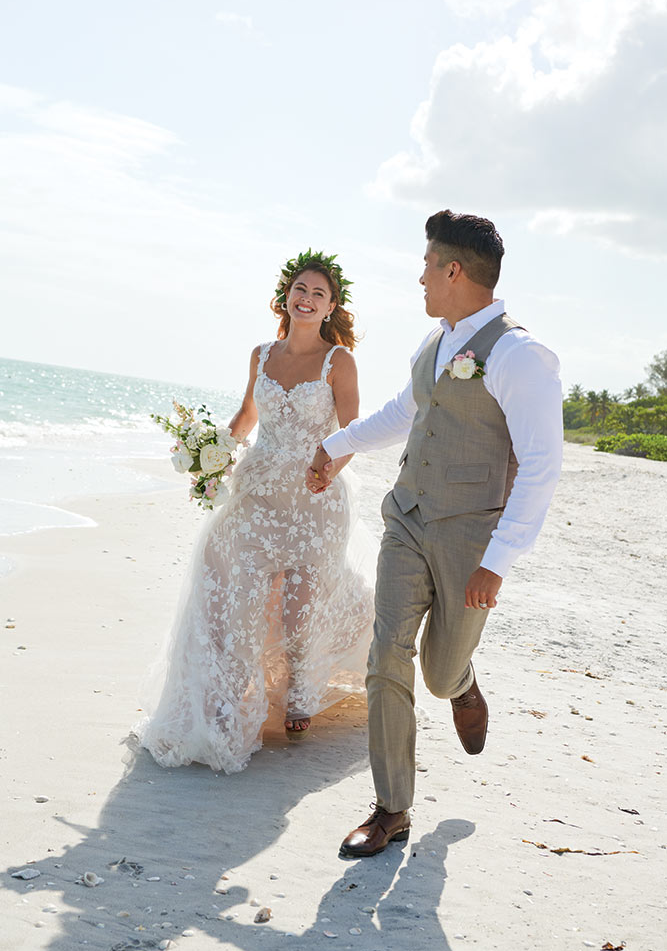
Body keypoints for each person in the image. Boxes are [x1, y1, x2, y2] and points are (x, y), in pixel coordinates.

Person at [307, 210, 563, 856]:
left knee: (438, 671)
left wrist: (498, 559)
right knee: (385, 652)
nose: (418, 277)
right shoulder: (435, 341)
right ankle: (391, 808)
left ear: (453, 270)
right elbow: (403, 412)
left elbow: (540, 466)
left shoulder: (519, 356)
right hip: (407, 517)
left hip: (469, 539)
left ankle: (461, 683)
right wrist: (334, 445)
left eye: (426, 265)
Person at [136, 251, 376, 773]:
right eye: (299, 289)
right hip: (257, 492)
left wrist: (329, 465)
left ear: (332, 306)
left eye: (318, 293)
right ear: (284, 297)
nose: (306, 299)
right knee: (237, 593)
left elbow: (353, 429)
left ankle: (299, 695)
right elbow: (247, 417)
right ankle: (230, 698)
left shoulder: (340, 362)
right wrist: (211, 451)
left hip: (315, 496)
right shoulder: (261, 355)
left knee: (299, 603)